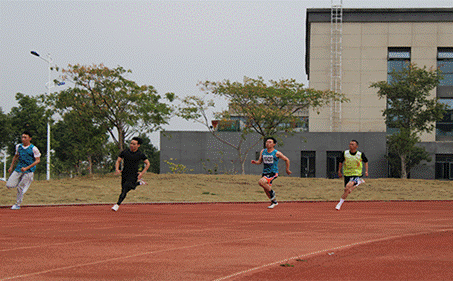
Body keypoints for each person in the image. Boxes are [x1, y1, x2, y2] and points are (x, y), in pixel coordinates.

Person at [112, 137, 151, 211]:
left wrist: (142, 173)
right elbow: (118, 161)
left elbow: (148, 163)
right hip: (124, 174)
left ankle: (117, 205)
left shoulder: (140, 154)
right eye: (131, 143)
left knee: (126, 188)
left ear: (138, 145)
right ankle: (138, 183)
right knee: (124, 189)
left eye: (134, 144)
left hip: (133, 175)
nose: (131, 145)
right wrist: (117, 169)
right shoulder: (125, 152)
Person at [251, 137, 291, 209]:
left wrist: (287, 169)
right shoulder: (263, 151)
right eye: (266, 142)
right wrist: (255, 162)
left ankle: (272, 192)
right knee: (266, 189)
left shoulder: (276, 153)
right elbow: (260, 161)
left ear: (274, 144)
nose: (267, 143)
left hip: (273, 172)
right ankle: (274, 202)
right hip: (265, 172)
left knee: (261, 182)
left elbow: (287, 159)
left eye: (270, 142)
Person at [6, 131, 41, 210]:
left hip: (28, 171)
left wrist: (27, 168)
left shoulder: (34, 149)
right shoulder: (18, 146)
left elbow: (37, 160)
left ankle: (17, 204)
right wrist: (11, 167)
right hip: (19, 168)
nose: (23, 139)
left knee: (20, 188)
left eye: (25, 137)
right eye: (22, 137)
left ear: (30, 138)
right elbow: (16, 156)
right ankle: (21, 184)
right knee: (9, 185)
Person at [336, 140, 369, 211]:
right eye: (350, 144)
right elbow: (340, 162)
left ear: (356, 146)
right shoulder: (345, 153)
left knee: (348, 186)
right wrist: (339, 171)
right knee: (347, 190)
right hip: (347, 174)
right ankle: (358, 183)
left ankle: (339, 204)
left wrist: (366, 171)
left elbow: (366, 161)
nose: (350, 145)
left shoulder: (360, 154)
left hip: (356, 174)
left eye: (352, 144)